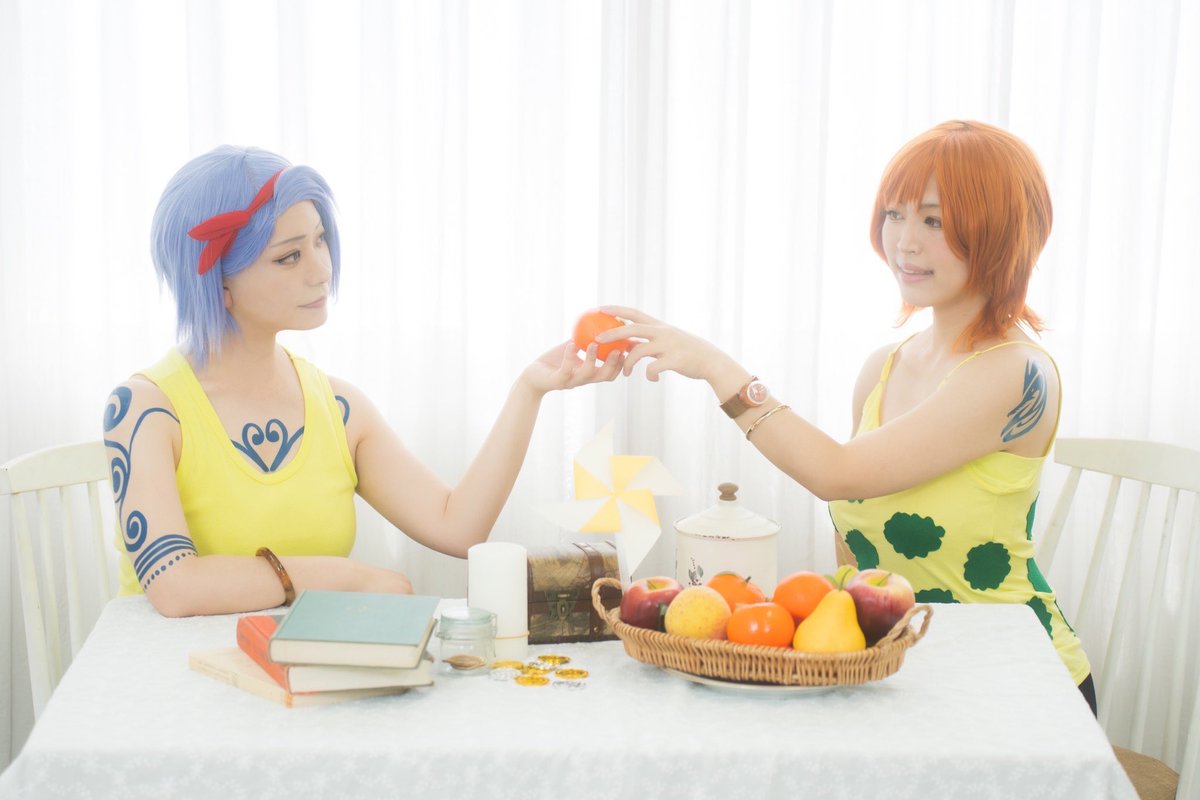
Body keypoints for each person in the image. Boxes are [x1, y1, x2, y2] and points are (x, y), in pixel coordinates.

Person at [596, 120, 1095, 713]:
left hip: (1017, 677)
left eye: (934, 221)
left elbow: (837, 474)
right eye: (895, 214)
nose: (905, 242)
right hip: (911, 674)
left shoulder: (1014, 371)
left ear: (1001, 233)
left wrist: (716, 368)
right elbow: (853, 549)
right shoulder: (884, 368)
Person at [103, 145, 623, 618]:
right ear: (215, 283)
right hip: (173, 676)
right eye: (289, 256)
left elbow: (458, 527)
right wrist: (348, 578)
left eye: (320, 240)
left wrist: (529, 390)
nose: (321, 269)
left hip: (305, 670)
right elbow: (176, 587)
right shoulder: (147, 408)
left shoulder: (338, 407)